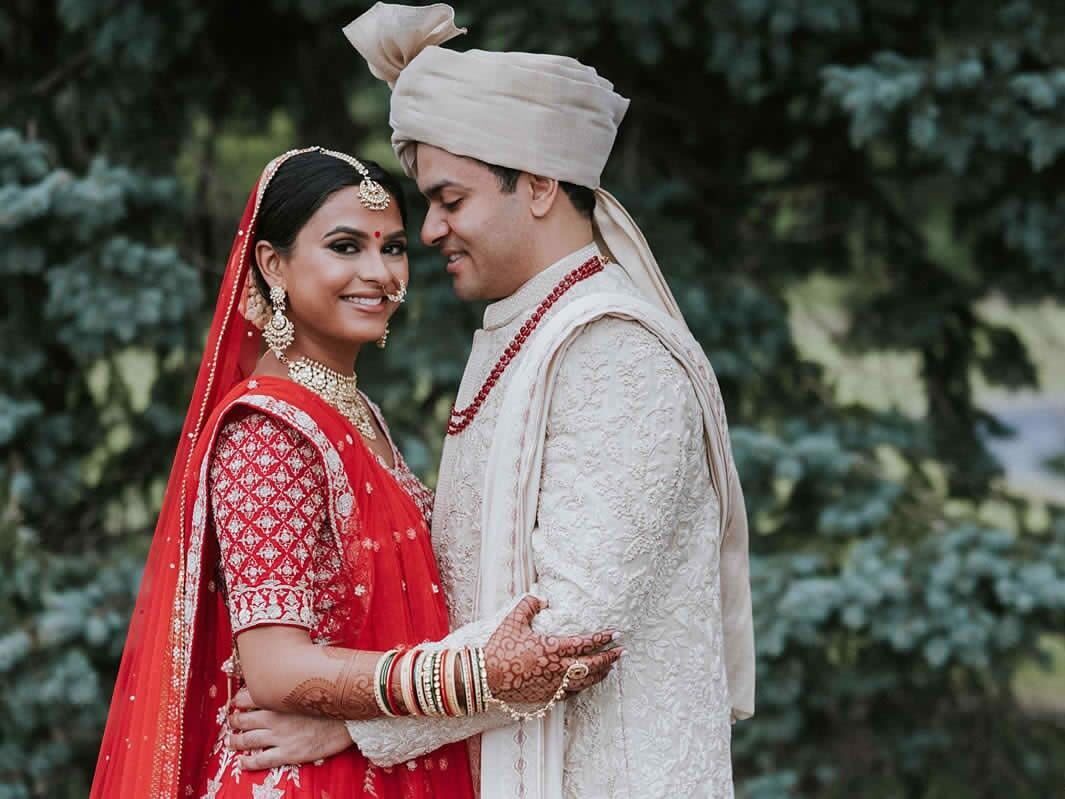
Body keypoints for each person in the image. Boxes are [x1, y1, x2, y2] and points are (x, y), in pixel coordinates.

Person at [227, 4, 757, 796]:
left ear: (539, 184)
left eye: (449, 199)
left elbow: (570, 629)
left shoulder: (613, 349)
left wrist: (354, 723)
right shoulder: (529, 334)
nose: (431, 229)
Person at [89, 147, 621, 799]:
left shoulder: (351, 408)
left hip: (373, 765)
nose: (378, 273)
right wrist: (470, 676)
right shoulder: (268, 429)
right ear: (272, 264)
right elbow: (276, 666)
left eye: (393, 249)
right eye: (345, 247)